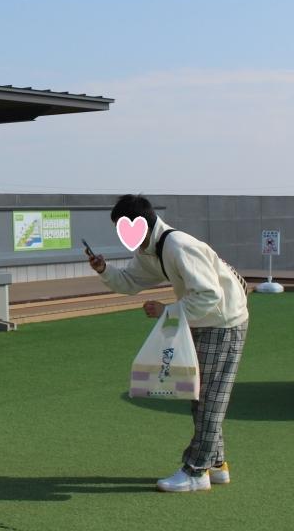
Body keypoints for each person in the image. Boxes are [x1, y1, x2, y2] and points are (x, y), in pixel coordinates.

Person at [86, 194, 250, 493]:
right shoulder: (151, 249)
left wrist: (168, 310)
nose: (123, 237)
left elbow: (209, 295)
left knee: (209, 399)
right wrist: (103, 269)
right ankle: (215, 464)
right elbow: (130, 282)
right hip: (206, 320)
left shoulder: (177, 245)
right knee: (202, 396)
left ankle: (196, 470)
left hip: (223, 321)